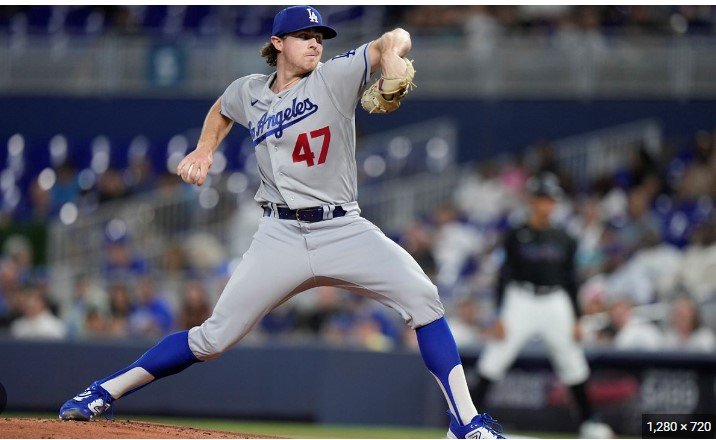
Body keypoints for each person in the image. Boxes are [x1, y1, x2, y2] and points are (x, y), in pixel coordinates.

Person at [58, 6, 503, 438]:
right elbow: (222, 108)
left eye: (319, 38)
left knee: (425, 300)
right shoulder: (248, 90)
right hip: (279, 235)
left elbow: (397, 35)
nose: (315, 44)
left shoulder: (335, 77)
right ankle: (101, 392)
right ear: (277, 43)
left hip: (341, 228)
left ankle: (466, 424)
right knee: (212, 339)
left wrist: (390, 56)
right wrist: (204, 149)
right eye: (305, 37)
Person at [471, 174, 612, 438]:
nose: (547, 205)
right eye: (542, 199)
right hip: (520, 299)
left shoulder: (565, 238)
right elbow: (504, 275)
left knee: (573, 361)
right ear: (532, 201)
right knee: (493, 359)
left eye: (551, 200)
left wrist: (577, 318)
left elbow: (571, 279)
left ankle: (590, 423)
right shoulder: (516, 234)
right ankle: (468, 421)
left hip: (555, 301)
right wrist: (500, 314)